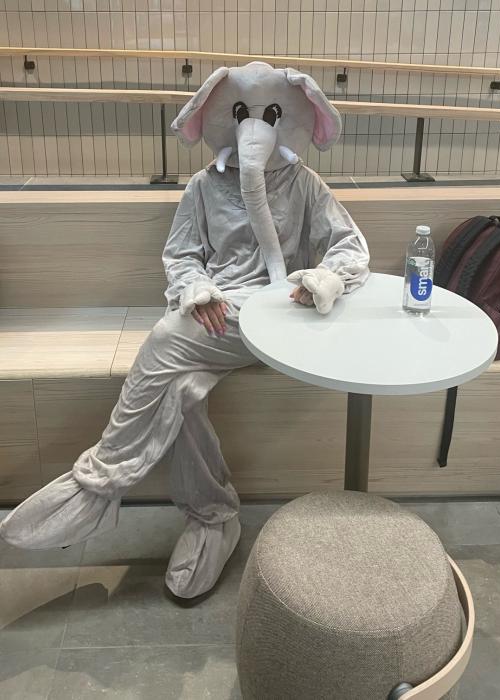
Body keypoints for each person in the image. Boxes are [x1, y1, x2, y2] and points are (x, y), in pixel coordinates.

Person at [0, 62, 370, 599]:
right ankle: (214, 516)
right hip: (215, 315)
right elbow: (180, 254)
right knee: (179, 390)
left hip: (277, 314)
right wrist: (195, 288)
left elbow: (350, 246)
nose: (253, 130)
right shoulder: (203, 186)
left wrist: (323, 278)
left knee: (165, 339)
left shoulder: (304, 183)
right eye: (241, 114)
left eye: (267, 115)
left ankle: (99, 483)